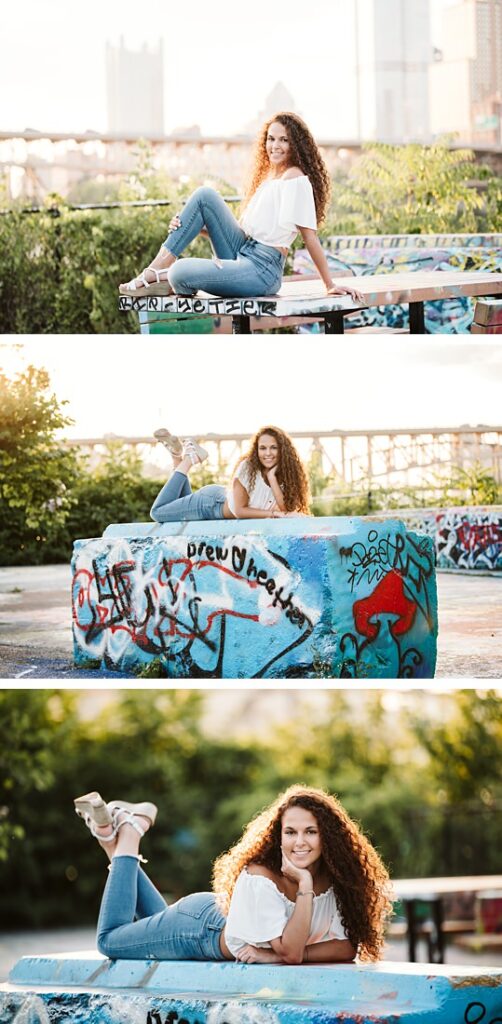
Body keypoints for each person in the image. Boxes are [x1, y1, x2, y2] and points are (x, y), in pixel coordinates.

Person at [74, 784, 392, 964]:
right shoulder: (260, 877)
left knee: (147, 928)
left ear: (329, 837)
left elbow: (348, 947)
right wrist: (305, 885)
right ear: (278, 836)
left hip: (212, 920)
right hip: (199, 930)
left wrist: (273, 956)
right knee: (109, 940)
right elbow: (292, 953)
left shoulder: (338, 881)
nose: (299, 842)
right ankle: (131, 830)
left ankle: (107, 837)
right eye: (290, 832)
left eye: (311, 832)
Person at [119, 112, 362, 303]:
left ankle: (165, 278)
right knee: (205, 195)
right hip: (242, 250)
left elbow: (310, 237)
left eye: (284, 140)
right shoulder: (270, 179)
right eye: (271, 138)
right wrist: (190, 226)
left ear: (296, 145)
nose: (275, 145)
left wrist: (329, 284)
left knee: (180, 270)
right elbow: (245, 233)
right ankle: (154, 272)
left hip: (261, 269)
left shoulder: (295, 179)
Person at [149, 425, 310, 523]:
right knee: (158, 512)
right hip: (211, 504)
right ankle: (190, 460)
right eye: (263, 448)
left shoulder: (285, 476)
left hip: (218, 501)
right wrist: (275, 514)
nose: (268, 453)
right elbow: (240, 511)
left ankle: (177, 455)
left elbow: (285, 509)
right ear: (256, 449)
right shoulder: (248, 467)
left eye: (273, 447)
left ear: (283, 449)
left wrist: (273, 478)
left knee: (177, 508)